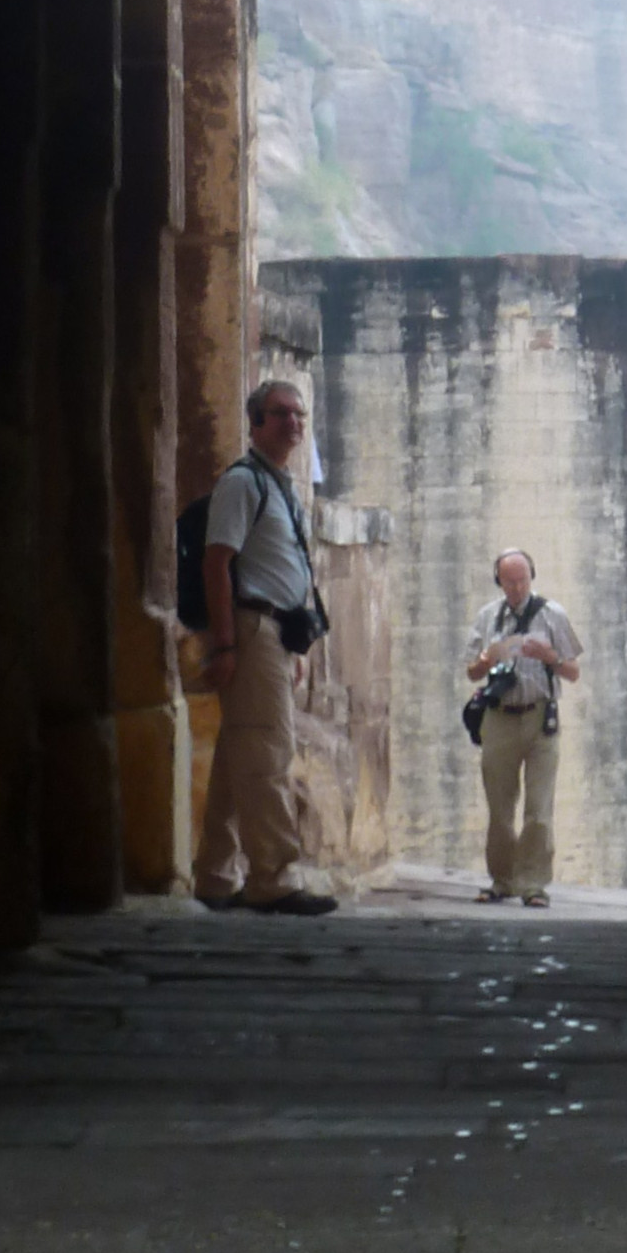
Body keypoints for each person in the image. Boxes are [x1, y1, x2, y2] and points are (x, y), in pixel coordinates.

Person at [194, 378, 338, 917]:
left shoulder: (278, 486)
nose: (293, 423)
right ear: (255, 422)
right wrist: (227, 644)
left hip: (274, 635)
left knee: (239, 760)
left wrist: (293, 650)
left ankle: (215, 875)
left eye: (299, 414)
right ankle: (273, 879)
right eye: (280, 414)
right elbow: (217, 563)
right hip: (252, 632)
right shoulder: (243, 483)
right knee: (269, 755)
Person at [463, 547, 582, 908]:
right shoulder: (487, 618)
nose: (516, 588)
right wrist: (486, 660)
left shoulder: (551, 614)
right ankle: (502, 879)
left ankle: (533, 884)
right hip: (500, 716)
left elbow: (573, 671)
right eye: (509, 581)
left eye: (522, 580)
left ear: (532, 578)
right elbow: (471, 671)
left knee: (538, 807)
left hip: (539, 715)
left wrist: (551, 658)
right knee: (499, 806)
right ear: (498, 581)